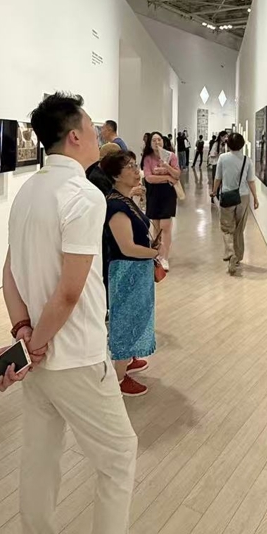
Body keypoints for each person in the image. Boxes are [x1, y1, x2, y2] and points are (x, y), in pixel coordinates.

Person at [0, 92, 156, 534]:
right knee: (118, 461)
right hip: (77, 358)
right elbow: (68, 291)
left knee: (39, 460)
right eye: (91, 125)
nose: (98, 133)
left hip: (40, 362)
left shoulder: (27, 193)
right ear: (76, 135)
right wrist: (38, 343)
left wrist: (23, 333)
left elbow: (9, 273)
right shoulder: (82, 196)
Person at [99, 151, 159, 398]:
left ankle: (128, 360)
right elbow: (127, 247)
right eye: (130, 167)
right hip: (127, 270)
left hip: (137, 268)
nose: (137, 171)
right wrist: (154, 253)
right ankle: (119, 377)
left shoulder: (125, 199)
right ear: (116, 175)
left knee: (136, 316)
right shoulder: (115, 206)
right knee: (125, 320)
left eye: (136, 165)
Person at [214, 131, 259, 275]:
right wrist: (255, 197)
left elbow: (218, 178)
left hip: (227, 195)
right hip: (243, 196)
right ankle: (238, 257)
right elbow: (251, 181)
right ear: (242, 145)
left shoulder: (223, 158)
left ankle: (230, 253)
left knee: (227, 227)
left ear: (228, 144)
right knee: (239, 227)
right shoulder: (247, 160)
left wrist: (214, 191)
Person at [141, 132, 180, 270]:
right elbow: (148, 178)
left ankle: (165, 257)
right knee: (156, 226)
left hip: (168, 193)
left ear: (163, 141)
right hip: (153, 193)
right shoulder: (147, 158)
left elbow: (177, 174)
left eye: (159, 139)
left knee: (165, 226)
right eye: (154, 140)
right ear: (150, 143)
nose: (157, 142)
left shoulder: (171, 156)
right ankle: (157, 255)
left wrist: (167, 167)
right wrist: (167, 178)